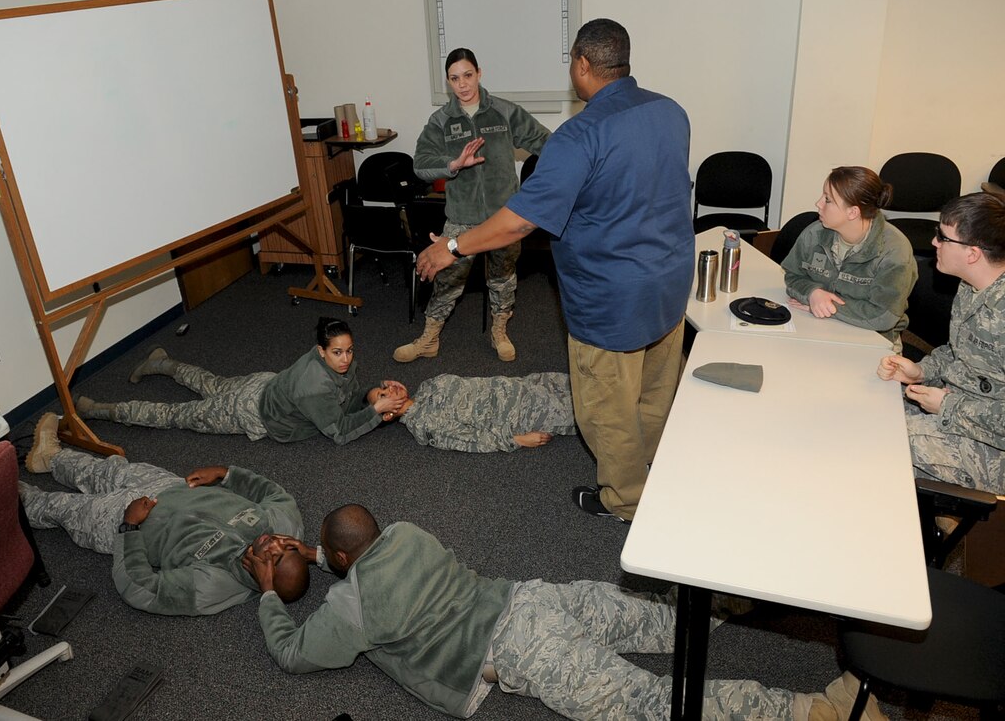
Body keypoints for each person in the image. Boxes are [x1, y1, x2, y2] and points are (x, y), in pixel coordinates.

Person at [416, 19, 693, 523]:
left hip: (612, 298)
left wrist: (450, 247)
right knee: (655, 388)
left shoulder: (580, 134)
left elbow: (520, 221)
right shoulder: (671, 111)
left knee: (606, 408)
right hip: (671, 282)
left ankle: (625, 501)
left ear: (582, 64)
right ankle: (651, 464)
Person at [242, 504, 880, 720]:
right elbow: (364, 559)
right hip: (535, 597)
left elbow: (295, 654)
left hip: (522, 651)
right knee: (666, 617)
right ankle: (756, 585)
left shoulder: (349, 610)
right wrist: (317, 555)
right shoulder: (405, 531)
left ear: (341, 558)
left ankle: (818, 713)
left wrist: (270, 589)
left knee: (651, 704)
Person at [20, 413, 309, 615]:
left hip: (127, 521)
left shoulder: (212, 587)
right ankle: (50, 457)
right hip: (167, 486)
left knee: (59, 507)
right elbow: (273, 493)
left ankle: (6, 495)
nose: (276, 544)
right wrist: (226, 473)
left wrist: (129, 528)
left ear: (265, 581)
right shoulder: (284, 525)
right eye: (287, 548)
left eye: (275, 558)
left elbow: (141, 589)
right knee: (105, 469)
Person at [394, 48, 550, 365]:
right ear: (448, 82)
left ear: (479, 73)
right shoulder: (441, 120)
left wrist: (548, 185)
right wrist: (453, 164)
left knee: (503, 278)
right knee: (446, 279)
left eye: (467, 75)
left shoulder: (504, 112)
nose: (462, 84)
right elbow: (420, 164)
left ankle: (499, 332)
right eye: (454, 79)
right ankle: (429, 339)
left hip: (503, 216)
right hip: (461, 217)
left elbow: (546, 143)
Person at [75, 317, 406, 446]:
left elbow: (346, 397)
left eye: (349, 350)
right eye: (337, 352)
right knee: (176, 415)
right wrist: (376, 410)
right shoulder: (314, 386)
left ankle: (160, 362)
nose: (346, 359)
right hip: (248, 410)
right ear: (321, 351)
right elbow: (339, 431)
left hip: (263, 383)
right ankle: (99, 410)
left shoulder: (331, 361)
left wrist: (372, 394)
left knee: (210, 382)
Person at [877, 192, 1005, 493]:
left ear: (972, 254)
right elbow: (959, 353)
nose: (934, 242)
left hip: (992, 448)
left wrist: (948, 406)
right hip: (960, 410)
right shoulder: (972, 286)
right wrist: (922, 371)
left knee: (876, 443)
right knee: (868, 408)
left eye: (943, 237)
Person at [781, 166, 917, 353]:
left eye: (828, 200)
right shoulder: (814, 233)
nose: (818, 203)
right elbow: (792, 275)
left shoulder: (894, 252)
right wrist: (813, 293)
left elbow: (884, 316)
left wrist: (827, 306)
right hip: (821, 327)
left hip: (873, 338)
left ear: (853, 212)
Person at [369, 372, 576, 452]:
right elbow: (471, 440)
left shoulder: (426, 386)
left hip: (527, 384)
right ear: (387, 415)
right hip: (527, 413)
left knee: (586, 379)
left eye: (384, 387)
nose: (389, 389)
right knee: (590, 411)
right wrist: (519, 440)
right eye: (382, 395)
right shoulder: (423, 424)